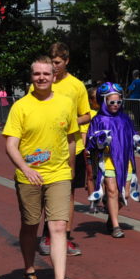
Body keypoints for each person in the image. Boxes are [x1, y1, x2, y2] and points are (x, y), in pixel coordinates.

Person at [3, 56, 81, 279]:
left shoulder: (66, 103)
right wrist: (25, 169)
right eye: (37, 74)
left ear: (54, 76)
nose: (42, 78)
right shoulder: (21, 107)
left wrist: (71, 168)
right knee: (31, 225)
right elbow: (11, 145)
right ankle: (29, 271)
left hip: (58, 173)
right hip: (30, 177)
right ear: (31, 77)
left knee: (58, 226)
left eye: (46, 73)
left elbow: (71, 138)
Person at [35, 43, 90, 258]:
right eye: (51, 61)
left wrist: (68, 121)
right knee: (46, 192)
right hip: (47, 148)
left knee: (68, 193)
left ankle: (64, 236)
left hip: (72, 146)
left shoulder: (77, 86)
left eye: (57, 62)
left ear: (66, 61)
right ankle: (46, 234)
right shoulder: (42, 82)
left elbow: (86, 114)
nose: (53, 66)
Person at [86, 83, 140, 238]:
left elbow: (134, 135)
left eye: (118, 102)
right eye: (112, 102)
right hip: (106, 160)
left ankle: (110, 217)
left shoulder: (125, 118)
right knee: (112, 191)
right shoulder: (98, 119)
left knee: (124, 194)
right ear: (104, 101)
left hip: (125, 161)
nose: (115, 105)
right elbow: (90, 141)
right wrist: (99, 139)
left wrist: (139, 142)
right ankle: (115, 225)